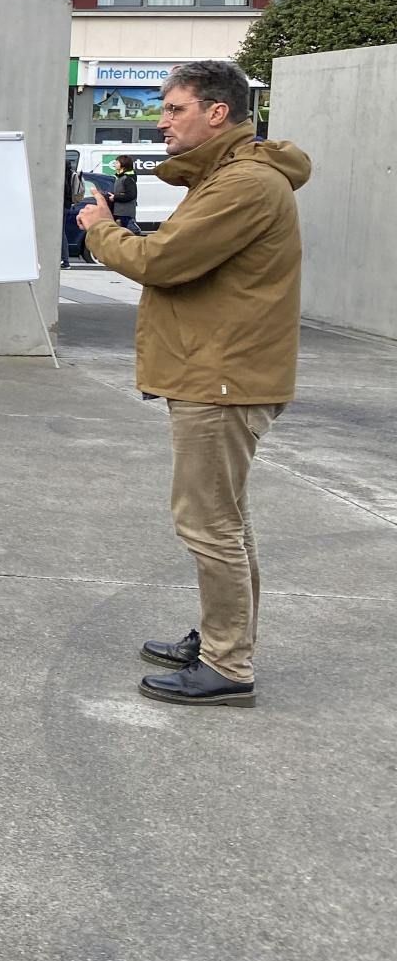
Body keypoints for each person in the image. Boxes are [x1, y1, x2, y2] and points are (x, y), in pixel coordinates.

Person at [77, 59, 310, 708]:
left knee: (209, 523)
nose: (162, 121)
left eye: (174, 109)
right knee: (225, 519)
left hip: (223, 379)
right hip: (220, 372)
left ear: (217, 112)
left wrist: (100, 230)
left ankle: (227, 664)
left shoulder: (244, 185)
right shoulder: (227, 179)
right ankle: (219, 637)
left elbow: (164, 261)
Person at [113, 155, 144, 234]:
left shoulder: (127, 179)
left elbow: (131, 195)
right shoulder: (120, 177)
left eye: (117, 163)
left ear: (123, 164)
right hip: (120, 212)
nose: (114, 164)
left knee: (132, 232)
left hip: (126, 213)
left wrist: (115, 197)